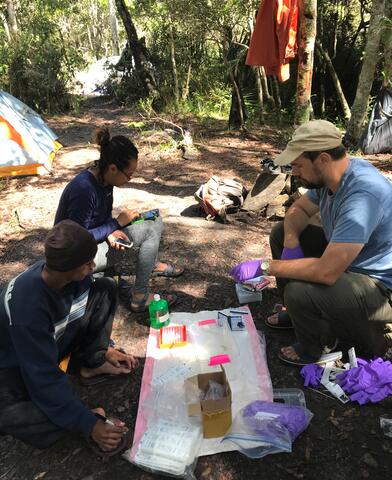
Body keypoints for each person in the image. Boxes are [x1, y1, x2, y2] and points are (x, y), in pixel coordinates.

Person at [230, 120, 392, 365]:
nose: (294, 172)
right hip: (349, 260)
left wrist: (265, 267)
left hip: (379, 287)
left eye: (298, 165)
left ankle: (317, 347)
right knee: (280, 232)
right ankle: (298, 316)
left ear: (323, 159)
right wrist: (292, 241)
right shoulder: (333, 175)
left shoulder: (362, 196)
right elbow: (299, 209)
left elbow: (326, 273)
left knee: (299, 291)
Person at [0, 220, 137, 453]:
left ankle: (91, 363)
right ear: (70, 268)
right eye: (87, 263)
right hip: (14, 367)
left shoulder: (69, 275)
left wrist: (106, 349)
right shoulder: (27, 307)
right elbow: (42, 376)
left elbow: (84, 309)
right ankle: (76, 420)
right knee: (10, 414)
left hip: (50, 345)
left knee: (105, 287)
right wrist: (87, 422)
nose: (93, 265)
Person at [54, 127, 183, 313]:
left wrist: (111, 231)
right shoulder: (83, 189)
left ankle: (150, 264)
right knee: (149, 229)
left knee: (154, 217)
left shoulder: (105, 180)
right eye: (128, 174)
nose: (129, 179)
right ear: (113, 168)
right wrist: (115, 225)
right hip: (76, 259)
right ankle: (139, 297)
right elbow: (77, 242)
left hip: (95, 243)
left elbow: (100, 217)